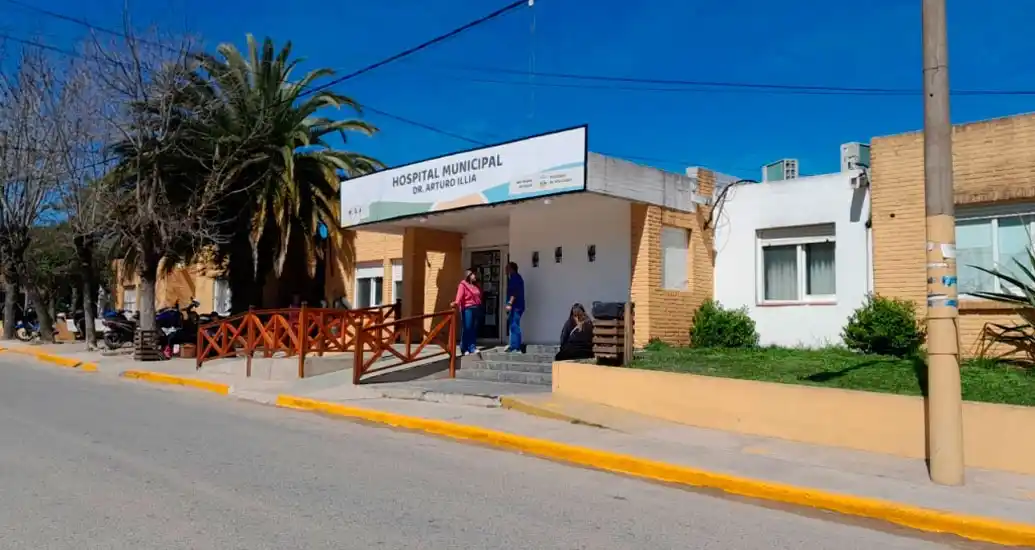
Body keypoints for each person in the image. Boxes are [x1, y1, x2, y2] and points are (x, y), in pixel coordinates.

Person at [450, 268, 483, 356]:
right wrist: (456, 303)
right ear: (469, 275)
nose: (475, 276)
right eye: (474, 274)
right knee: (467, 328)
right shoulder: (463, 285)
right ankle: (464, 348)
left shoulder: (476, 285)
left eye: (476, 274)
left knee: (473, 328)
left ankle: (472, 347)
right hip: (467, 308)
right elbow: (459, 296)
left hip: (476, 308)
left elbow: (479, 296)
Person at [504, 261, 525, 353]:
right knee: (513, 325)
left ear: (511, 269)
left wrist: (509, 303)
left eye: (507, 268)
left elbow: (514, 292)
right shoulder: (516, 277)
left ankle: (516, 347)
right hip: (517, 305)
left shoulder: (515, 278)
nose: (505, 269)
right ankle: (513, 345)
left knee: (514, 325)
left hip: (516, 306)